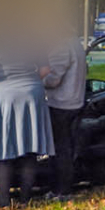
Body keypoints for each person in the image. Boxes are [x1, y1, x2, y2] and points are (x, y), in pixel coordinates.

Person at [0, 30, 53, 208]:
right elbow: (45, 69)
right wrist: (28, 78)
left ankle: (4, 201)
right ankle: (25, 199)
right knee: (30, 149)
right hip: (31, 96)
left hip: (4, 97)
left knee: (3, 149)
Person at [45, 32, 87, 199]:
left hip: (60, 103)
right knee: (67, 148)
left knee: (60, 149)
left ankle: (61, 190)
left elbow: (53, 79)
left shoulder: (62, 47)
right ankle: (63, 188)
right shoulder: (76, 44)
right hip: (75, 101)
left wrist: (35, 80)